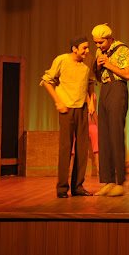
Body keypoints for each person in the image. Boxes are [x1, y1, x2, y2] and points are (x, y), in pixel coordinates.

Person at [40, 36, 96, 198]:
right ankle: (62, 188)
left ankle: (78, 186)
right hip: (66, 108)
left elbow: (90, 82)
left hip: (82, 108)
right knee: (66, 148)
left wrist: (91, 101)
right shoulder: (62, 60)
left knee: (82, 149)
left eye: (88, 47)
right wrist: (58, 101)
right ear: (74, 49)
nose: (87, 51)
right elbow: (46, 81)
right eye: (84, 48)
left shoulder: (88, 61)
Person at [91, 23, 129, 197]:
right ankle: (108, 181)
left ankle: (120, 182)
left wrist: (108, 64)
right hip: (105, 90)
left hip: (118, 89)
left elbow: (128, 74)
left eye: (101, 42)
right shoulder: (99, 52)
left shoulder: (122, 49)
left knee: (115, 135)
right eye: (96, 43)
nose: (98, 46)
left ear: (109, 38)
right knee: (104, 136)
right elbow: (99, 77)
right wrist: (99, 67)